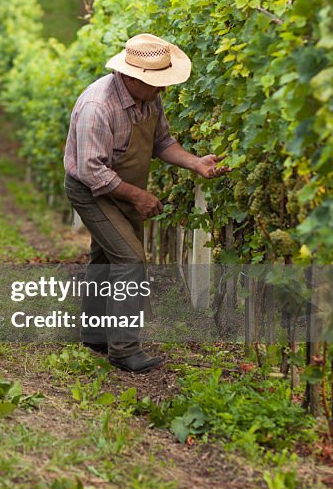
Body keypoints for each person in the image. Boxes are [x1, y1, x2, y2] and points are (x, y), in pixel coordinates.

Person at [64, 33, 228, 373]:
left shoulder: (149, 100)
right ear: (131, 76)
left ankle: (94, 333)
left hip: (120, 185)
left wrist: (195, 162)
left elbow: (162, 142)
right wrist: (138, 196)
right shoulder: (98, 106)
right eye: (157, 82)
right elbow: (92, 172)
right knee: (131, 258)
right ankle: (124, 349)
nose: (163, 89)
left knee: (106, 255)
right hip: (90, 189)